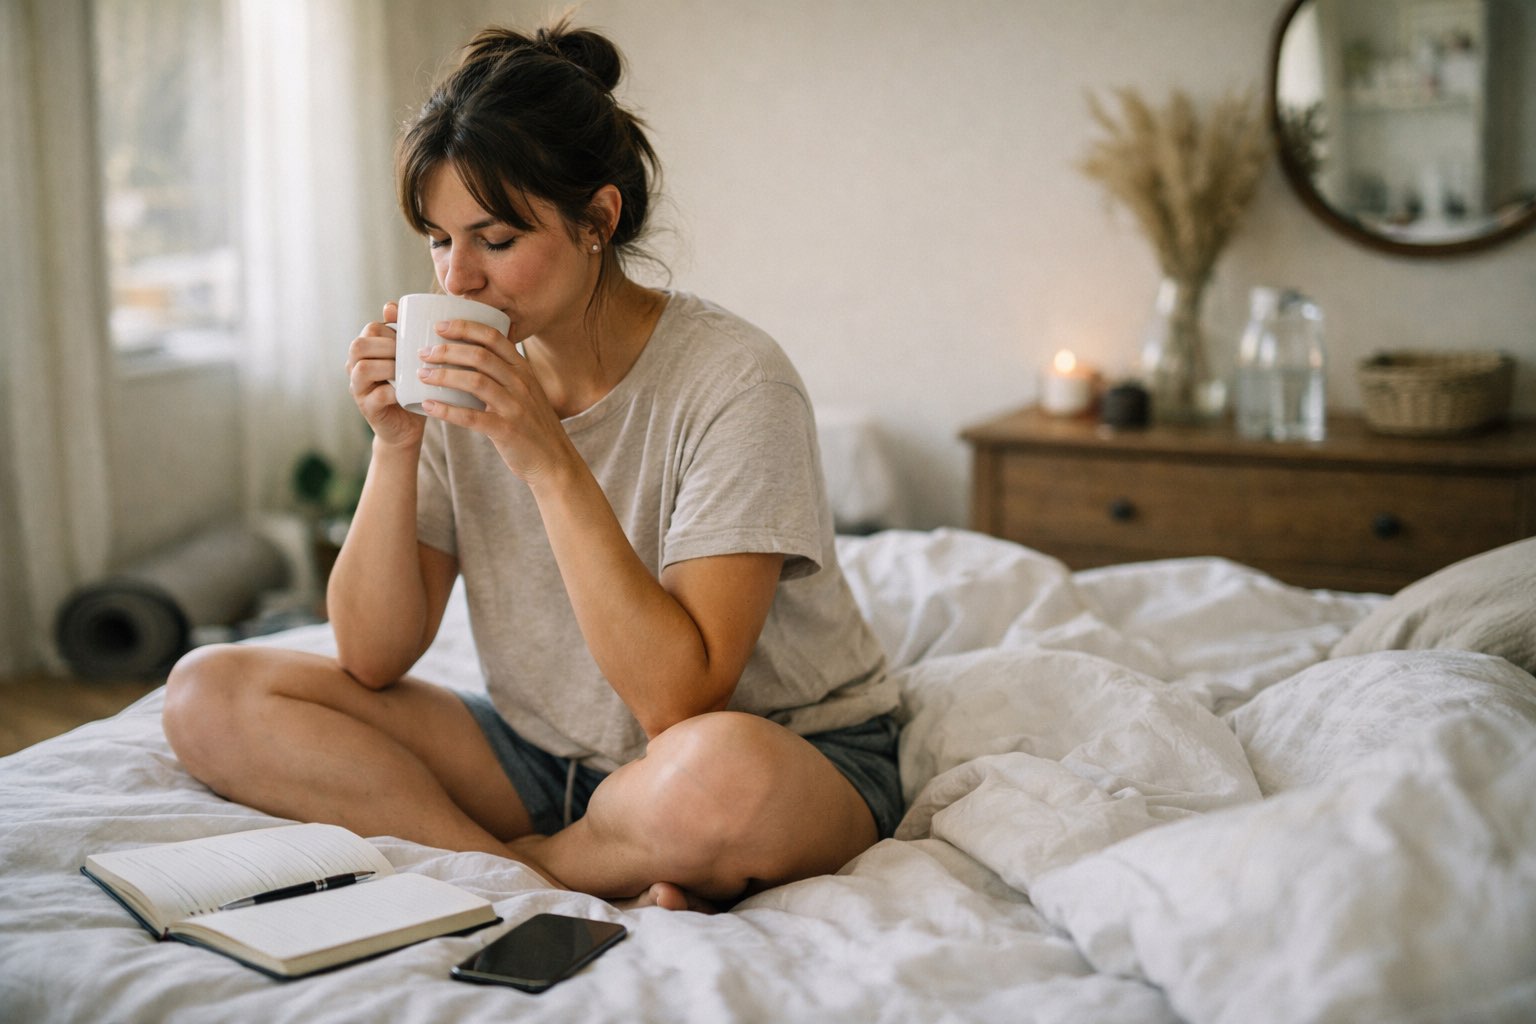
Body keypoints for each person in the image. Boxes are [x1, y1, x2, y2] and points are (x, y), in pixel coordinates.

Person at [162, 17, 900, 912]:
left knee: (720, 778)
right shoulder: (461, 374)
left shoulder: (737, 381)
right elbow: (371, 652)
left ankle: (545, 865)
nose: (456, 280)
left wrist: (548, 460)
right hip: (544, 756)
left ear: (598, 219)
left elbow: (680, 701)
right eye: (439, 239)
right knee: (211, 691)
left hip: (771, 747)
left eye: (496, 240)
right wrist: (393, 449)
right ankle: (539, 865)